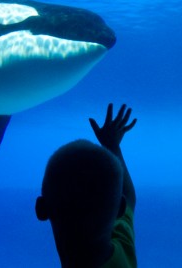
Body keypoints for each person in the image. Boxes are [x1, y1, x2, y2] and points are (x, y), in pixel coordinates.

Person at [35, 103, 137, 268]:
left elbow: (128, 198)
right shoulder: (123, 245)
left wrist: (112, 146)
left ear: (41, 209)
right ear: (120, 208)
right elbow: (129, 197)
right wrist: (112, 146)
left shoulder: (124, 241)